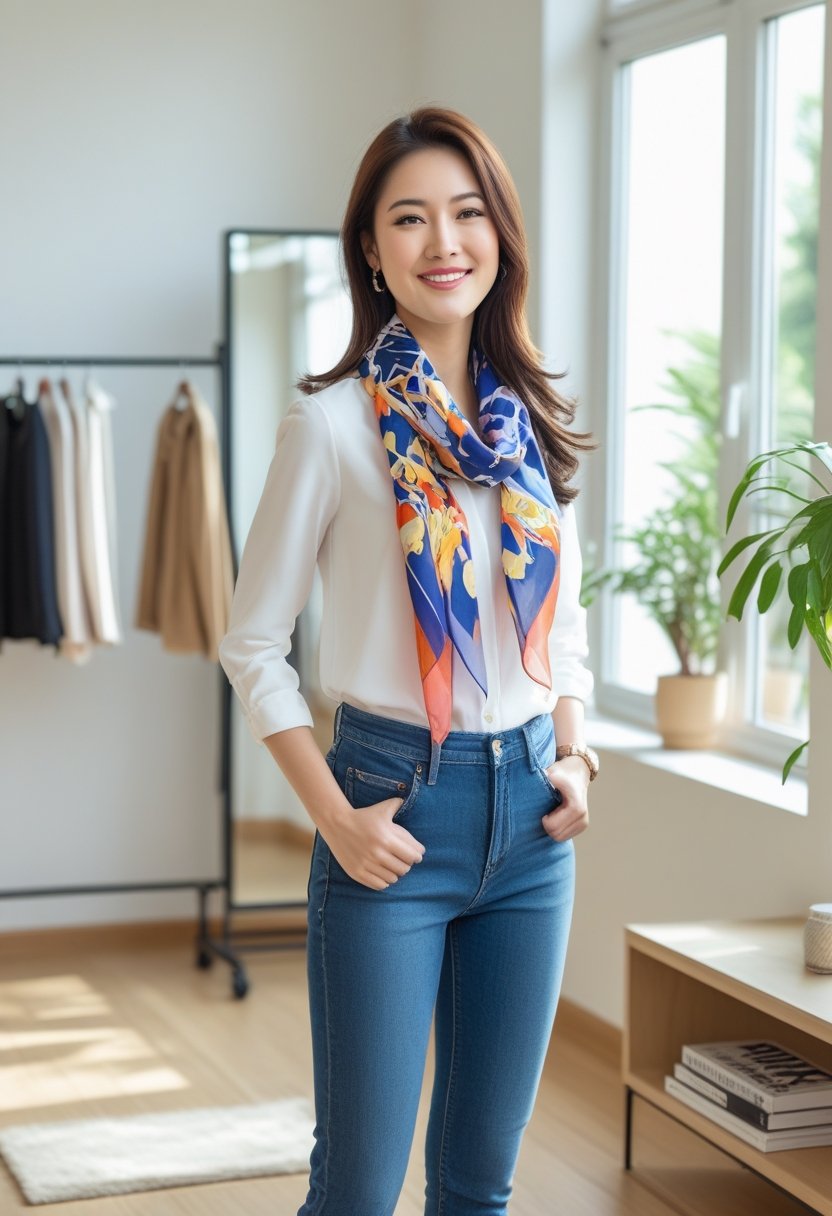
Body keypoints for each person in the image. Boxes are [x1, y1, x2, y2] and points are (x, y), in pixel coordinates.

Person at [218, 105, 600, 1216]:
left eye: (468, 213)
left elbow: (561, 632)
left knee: (479, 1186)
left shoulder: (524, 422)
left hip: (533, 823)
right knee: (356, 1190)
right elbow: (252, 642)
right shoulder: (330, 427)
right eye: (412, 217)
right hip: (391, 807)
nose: (445, 240)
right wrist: (335, 817)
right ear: (374, 252)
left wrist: (573, 758)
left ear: (500, 237)